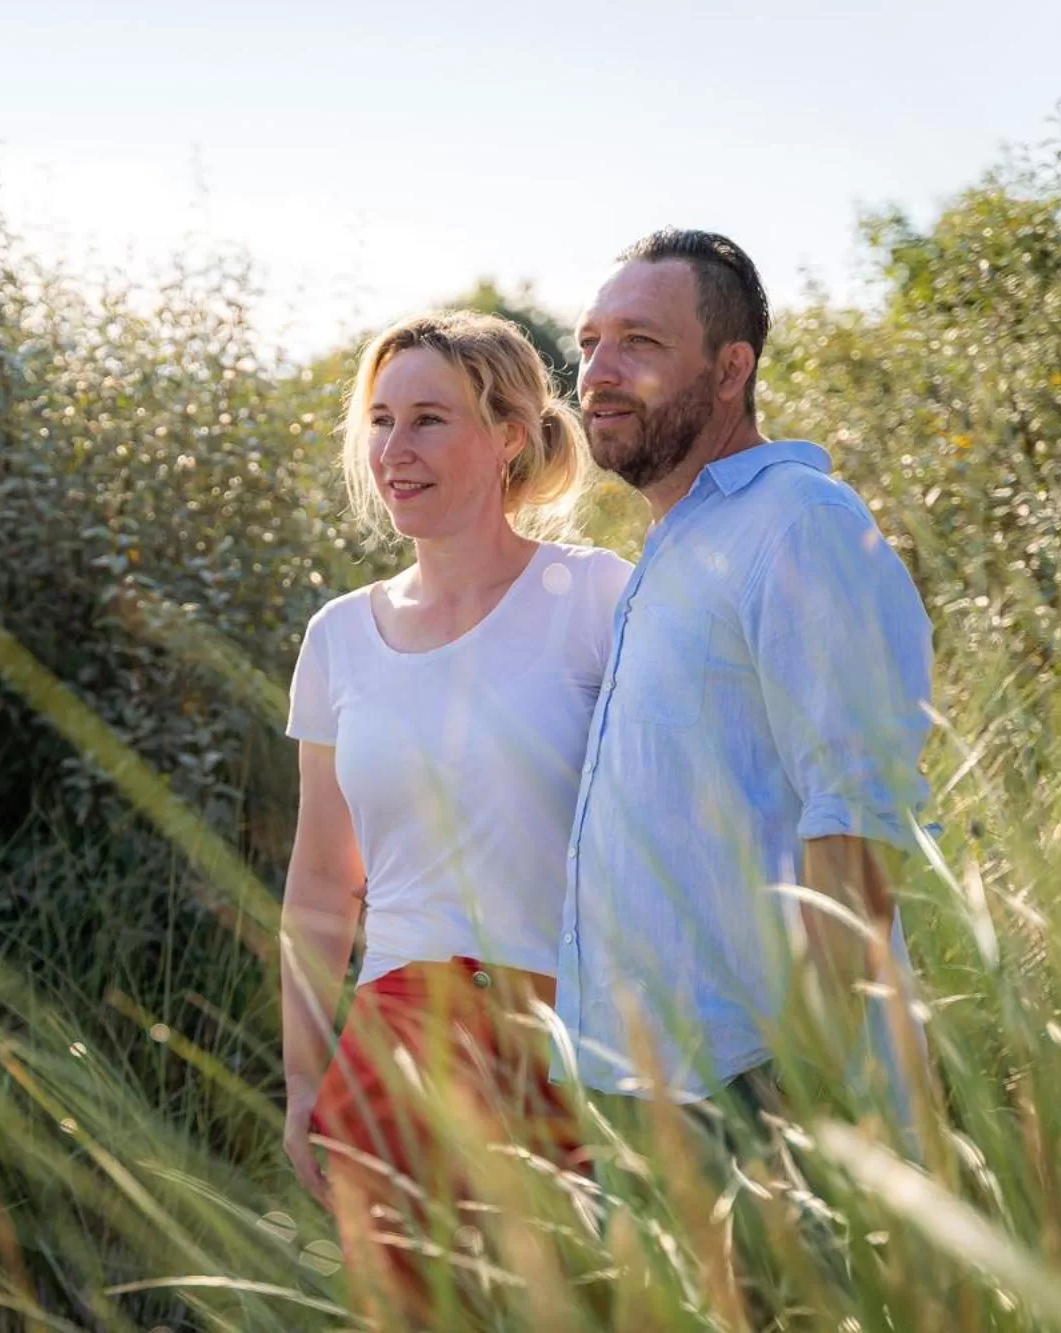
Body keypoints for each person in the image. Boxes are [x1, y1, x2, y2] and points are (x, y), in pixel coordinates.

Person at [279, 310, 631, 1326]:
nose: (394, 450)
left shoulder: (594, 598)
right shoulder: (338, 637)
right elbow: (317, 883)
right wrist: (305, 1083)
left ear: (508, 432)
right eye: (380, 421)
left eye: (429, 419)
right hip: (388, 1057)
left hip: (573, 1048)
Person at [552, 228, 933, 1133]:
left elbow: (860, 814)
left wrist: (815, 1092)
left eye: (639, 342)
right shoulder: (678, 543)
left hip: (764, 1091)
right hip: (651, 1089)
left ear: (731, 371)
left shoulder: (800, 524)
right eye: (589, 341)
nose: (599, 370)